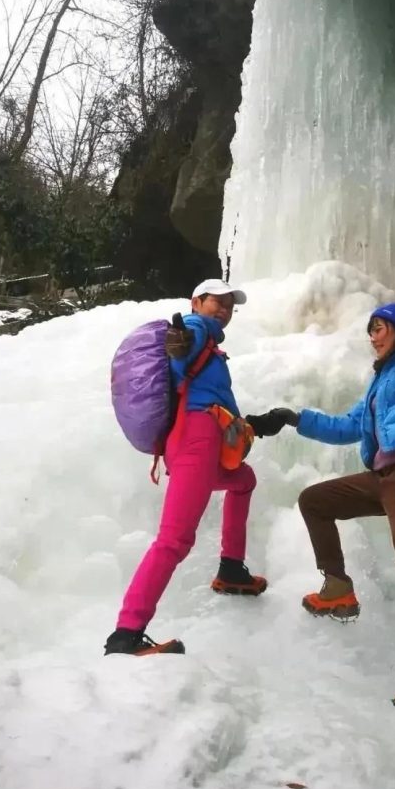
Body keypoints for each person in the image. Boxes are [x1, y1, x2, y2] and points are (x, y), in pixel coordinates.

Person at [245, 302, 395, 708]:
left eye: (379, 327)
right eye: (371, 329)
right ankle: (338, 589)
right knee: (315, 500)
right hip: (384, 477)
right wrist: (294, 418)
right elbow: (347, 426)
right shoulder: (378, 385)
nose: (372, 335)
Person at [104, 278, 268, 657]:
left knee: (244, 480)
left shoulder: (211, 342)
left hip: (199, 441)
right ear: (197, 301)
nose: (224, 310)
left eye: (230, 305)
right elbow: (180, 349)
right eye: (218, 302)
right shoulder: (197, 328)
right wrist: (181, 342)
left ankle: (231, 568)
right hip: (197, 439)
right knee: (174, 539)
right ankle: (125, 634)